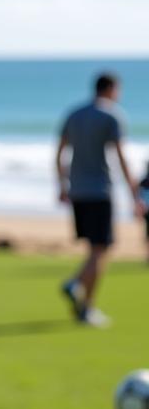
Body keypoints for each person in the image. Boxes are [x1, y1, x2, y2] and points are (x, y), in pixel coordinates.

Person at [56, 72, 145, 327]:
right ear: (111, 89)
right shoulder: (111, 115)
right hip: (100, 190)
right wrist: (134, 194)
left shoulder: (74, 114)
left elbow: (60, 151)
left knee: (94, 248)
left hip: (78, 191)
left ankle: (81, 299)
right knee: (100, 250)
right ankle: (81, 295)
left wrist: (62, 185)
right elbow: (121, 156)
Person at [141, 162, 149, 264]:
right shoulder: (143, 182)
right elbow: (141, 196)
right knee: (147, 236)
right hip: (147, 211)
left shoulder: (143, 181)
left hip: (146, 211)